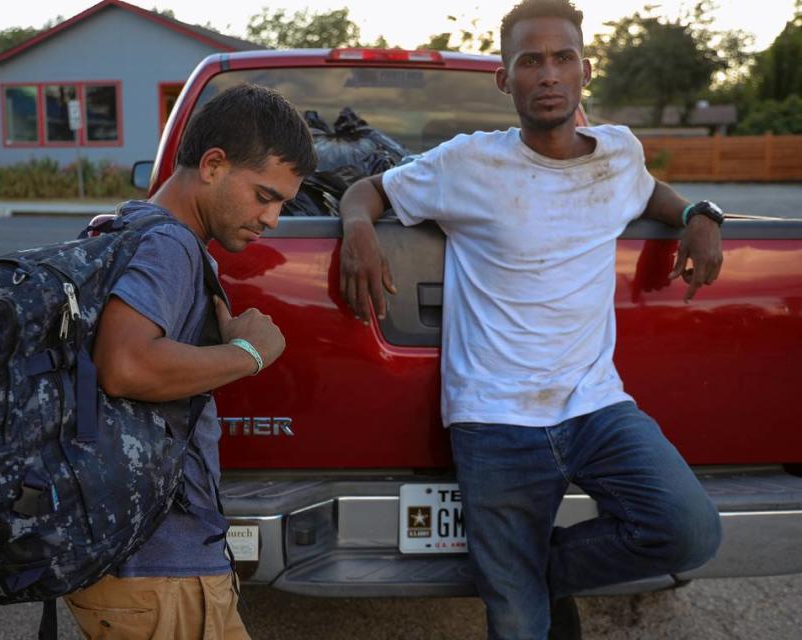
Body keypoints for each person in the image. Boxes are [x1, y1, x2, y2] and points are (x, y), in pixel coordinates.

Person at [337, 1, 724, 638]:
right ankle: (518, 587)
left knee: (689, 531)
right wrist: (357, 229)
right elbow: (369, 191)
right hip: (495, 419)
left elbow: (650, 192)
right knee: (518, 626)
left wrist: (698, 214)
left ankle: (529, 572)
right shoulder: (467, 163)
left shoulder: (619, 153)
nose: (548, 74)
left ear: (585, 71)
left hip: (596, 407)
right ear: (505, 79)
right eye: (530, 61)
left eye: (562, 58)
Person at [64, 84, 316, 639]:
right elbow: (125, 365)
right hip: (159, 569)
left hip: (132, 558)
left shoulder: (122, 226)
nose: (273, 218)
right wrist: (248, 354)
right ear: (213, 165)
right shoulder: (168, 246)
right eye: (264, 195)